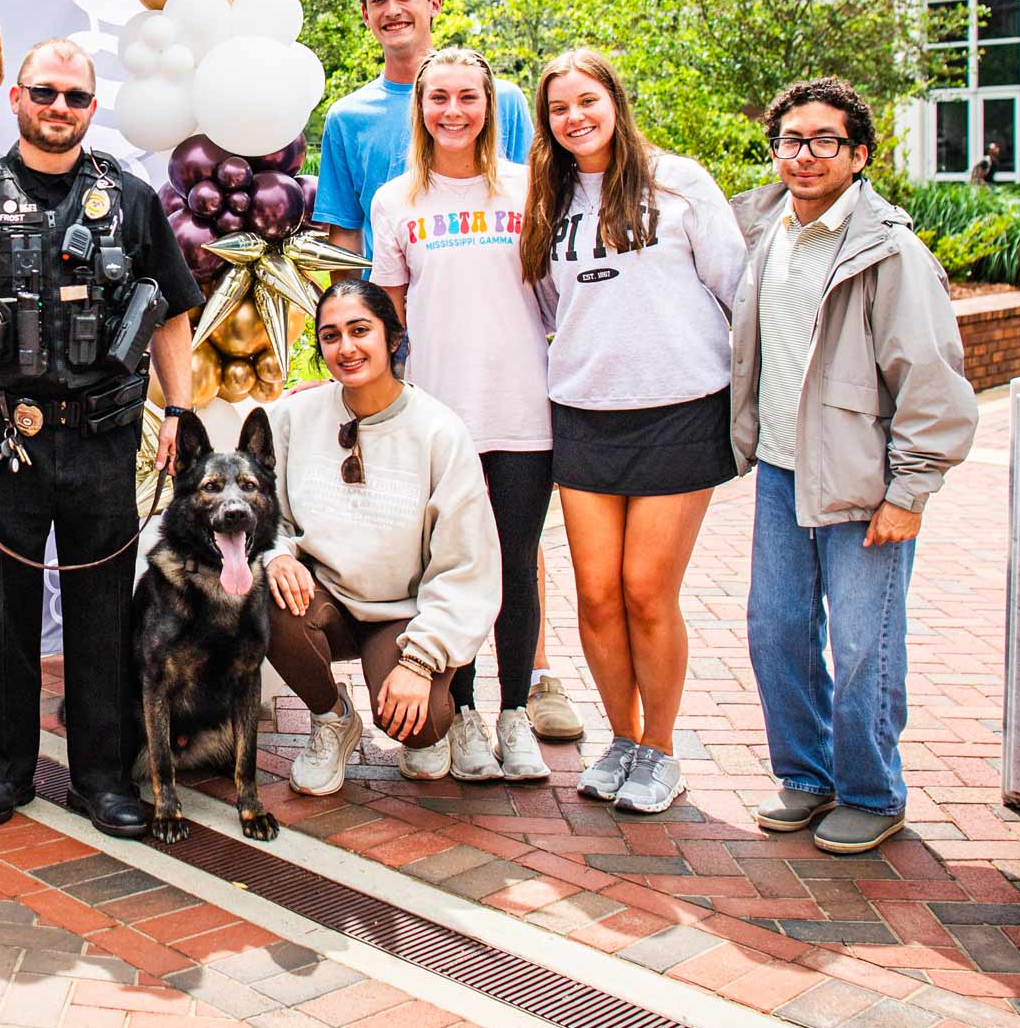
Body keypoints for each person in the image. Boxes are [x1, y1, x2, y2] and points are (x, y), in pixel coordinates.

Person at [0, 39, 202, 838]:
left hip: (105, 440)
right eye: (45, 92)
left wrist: (178, 410)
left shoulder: (130, 198)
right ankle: (4, 770)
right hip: (8, 440)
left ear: (92, 108)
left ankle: (102, 778)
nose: (59, 107)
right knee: (2, 616)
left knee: (103, 617)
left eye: (74, 96)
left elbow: (172, 312)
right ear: (16, 98)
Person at [730, 77, 977, 854]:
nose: (805, 156)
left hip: (864, 483)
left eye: (825, 141)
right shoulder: (763, 231)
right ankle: (806, 777)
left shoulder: (889, 251)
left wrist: (912, 490)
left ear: (859, 154)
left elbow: (931, 379)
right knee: (778, 630)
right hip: (781, 472)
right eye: (791, 140)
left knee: (866, 644)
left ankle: (872, 792)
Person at [526, 48, 745, 815]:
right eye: (559, 108)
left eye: (587, 100)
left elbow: (737, 288)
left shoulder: (679, 182)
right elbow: (548, 310)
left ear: (614, 101)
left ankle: (661, 749)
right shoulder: (547, 202)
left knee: (647, 591)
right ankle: (622, 739)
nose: (575, 117)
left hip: (679, 411)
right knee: (596, 596)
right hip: (585, 416)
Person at [370, 48, 578, 784]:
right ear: (420, 108)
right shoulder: (396, 200)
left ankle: (514, 713)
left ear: (490, 107)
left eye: (468, 97)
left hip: (522, 410)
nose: (453, 111)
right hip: (439, 420)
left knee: (515, 567)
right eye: (439, 98)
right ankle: (462, 716)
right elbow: (392, 312)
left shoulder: (530, 188)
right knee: (450, 568)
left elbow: (558, 296)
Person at [263, 280, 498, 797]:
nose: (345, 348)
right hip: (321, 598)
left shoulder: (439, 431)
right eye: (330, 336)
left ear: (392, 338)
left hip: (401, 612)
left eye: (359, 331)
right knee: (265, 593)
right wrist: (277, 555)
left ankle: (427, 715)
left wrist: (420, 660)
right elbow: (262, 509)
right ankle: (332, 719)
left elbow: (467, 565)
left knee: (422, 724)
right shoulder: (294, 416)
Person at [314, 0, 532, 261]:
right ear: (365, 14)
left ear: (434, 4)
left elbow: (535, 207)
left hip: (493, 284)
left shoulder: (500, 101)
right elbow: (345, 232)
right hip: (389, 290)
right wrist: (350, 294)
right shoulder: (348, 118)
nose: (392, 10)